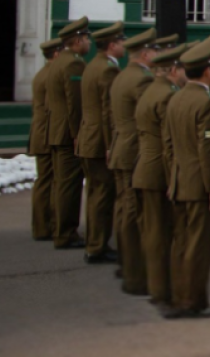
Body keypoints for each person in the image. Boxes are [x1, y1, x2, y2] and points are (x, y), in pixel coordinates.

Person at [165, 37, 210, 319]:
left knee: (180, 245)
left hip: (179, 181)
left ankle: (178, 298)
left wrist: (172, 179)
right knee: (198, 247)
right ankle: (193, 302)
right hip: (200, 184)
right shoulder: (207, 103)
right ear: (208, 70)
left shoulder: (175, 98)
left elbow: (168, 145)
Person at [135, 42, 188, 317]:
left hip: (146, 166)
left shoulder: (151, 90)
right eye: (183, 69)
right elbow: (170, 144)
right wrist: (174, 181)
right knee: (160, 233)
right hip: (158, 171)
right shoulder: (167, 96)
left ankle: (156, 286)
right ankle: (161, 291)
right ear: (174, 69)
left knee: (154, 231)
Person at [108, 28, 157, 295]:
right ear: (146, 53)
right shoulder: (141, 80)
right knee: (132, 211)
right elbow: (146, 117)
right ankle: (132, 267)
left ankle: (126, 263)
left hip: (120, 147)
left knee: (123, 207)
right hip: (133, 150)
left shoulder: (122, 75)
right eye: (155, 52)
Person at [79, 21, 126, 265]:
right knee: (103, 195)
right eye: (121, 42)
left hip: (89, 137)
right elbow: (109, 112)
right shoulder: (108, 70)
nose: (125, 45)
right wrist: (111, 146)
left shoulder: (92, 66)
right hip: (99, 141)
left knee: (95, 193)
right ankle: (97, 246)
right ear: (112, 45)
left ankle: (93, 242)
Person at [45, 17, 90, 251]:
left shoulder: (58, 61)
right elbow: (75, 103)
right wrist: (77, 133)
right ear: (79, 40)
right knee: (69, 185)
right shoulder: (74, 64)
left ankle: (59, 228)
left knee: (62, 183)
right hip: (67, 132)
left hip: (56, 129)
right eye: (87, 38)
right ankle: (66, 234)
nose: (89, 43)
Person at [29, 37, 62, 242]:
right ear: (56, 54)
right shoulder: (51, 75)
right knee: (49, 180)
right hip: (47, 133)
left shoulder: (42, 73)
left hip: (41, 132)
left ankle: (42, 226)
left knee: (45, 180)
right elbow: (54, 107)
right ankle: (46, 226)